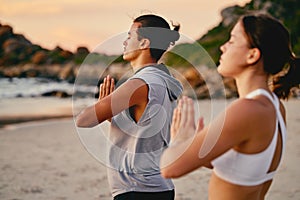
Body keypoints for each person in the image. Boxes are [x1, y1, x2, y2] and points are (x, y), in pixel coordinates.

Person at [160, 13, 300, 200]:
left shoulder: (247, 109)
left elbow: (169, 168)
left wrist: (180, 140)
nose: (222, 47)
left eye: (232, 41)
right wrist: (196, 143)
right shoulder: (273, 106)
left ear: (252, 55)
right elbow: (242, 164)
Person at [76, 14, 183, 200]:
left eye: (129, 36)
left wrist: (102, 105)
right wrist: (111, 113)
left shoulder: (140, 83)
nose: (125, 42)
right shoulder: (163, 81)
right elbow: (144, 125)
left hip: (138, 189)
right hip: (156, 187)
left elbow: (84, 120)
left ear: (144, 43)